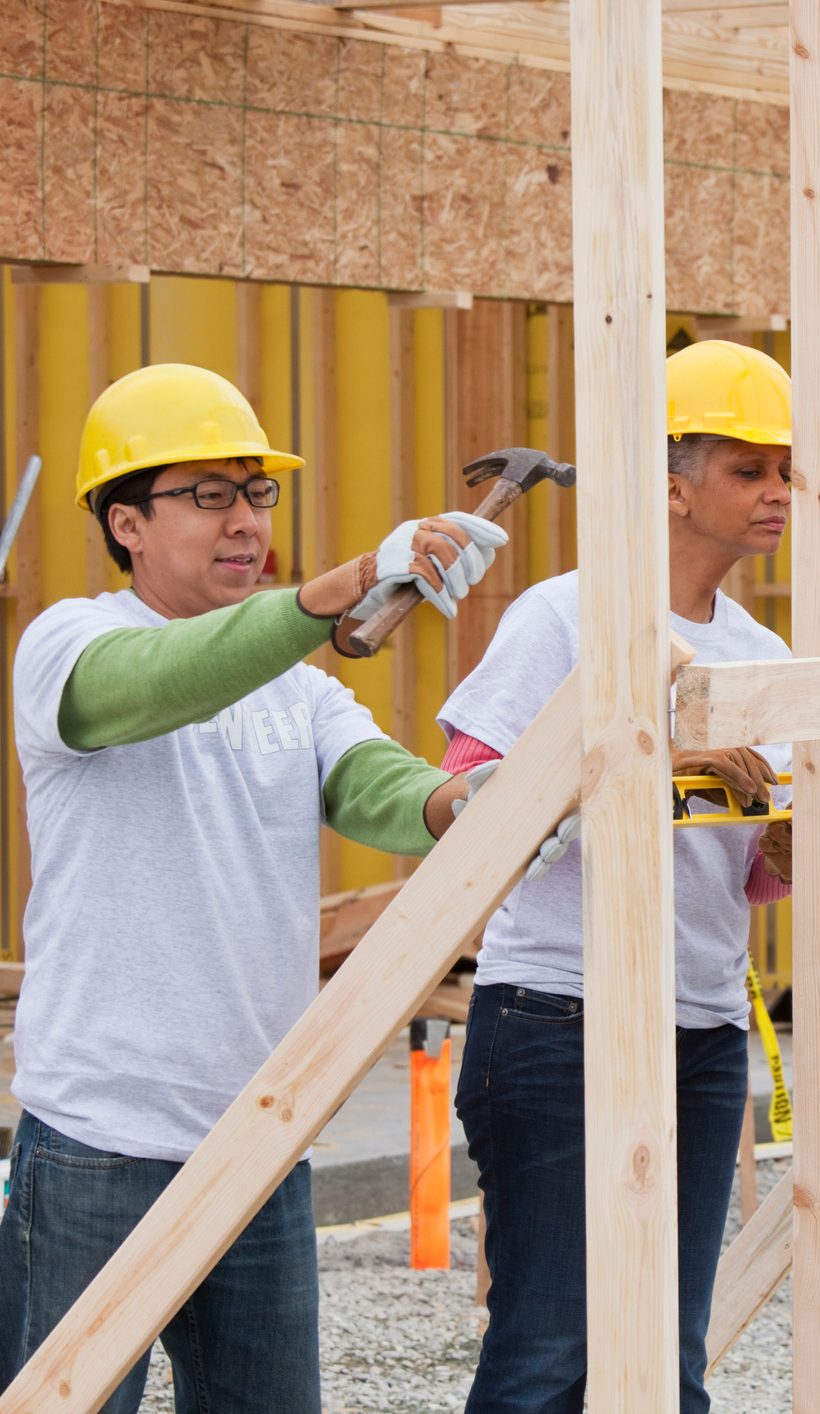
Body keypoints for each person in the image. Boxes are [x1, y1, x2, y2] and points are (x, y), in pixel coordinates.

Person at [0, 363, 508, 1411]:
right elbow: (161, 683)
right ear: (126, 523)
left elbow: (378, 786)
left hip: (260, 1144)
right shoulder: (68, 646)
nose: (245, 521)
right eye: (209, 495)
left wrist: (479, 802)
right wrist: (348, 581)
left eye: (258, 492)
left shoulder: (302, 689)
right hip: (99, 1144)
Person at [445, 340, 796, 1412]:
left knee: (663, 1359)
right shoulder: (564, 618)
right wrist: (661, 756)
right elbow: (474, 794)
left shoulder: (764, 657)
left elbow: (748, 879)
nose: (779, 491)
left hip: (698, 1029)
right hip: (555, 1017)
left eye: (785, 468)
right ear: (675, 489)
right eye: (749, 470)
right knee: (548, 1357)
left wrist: (791, 837)